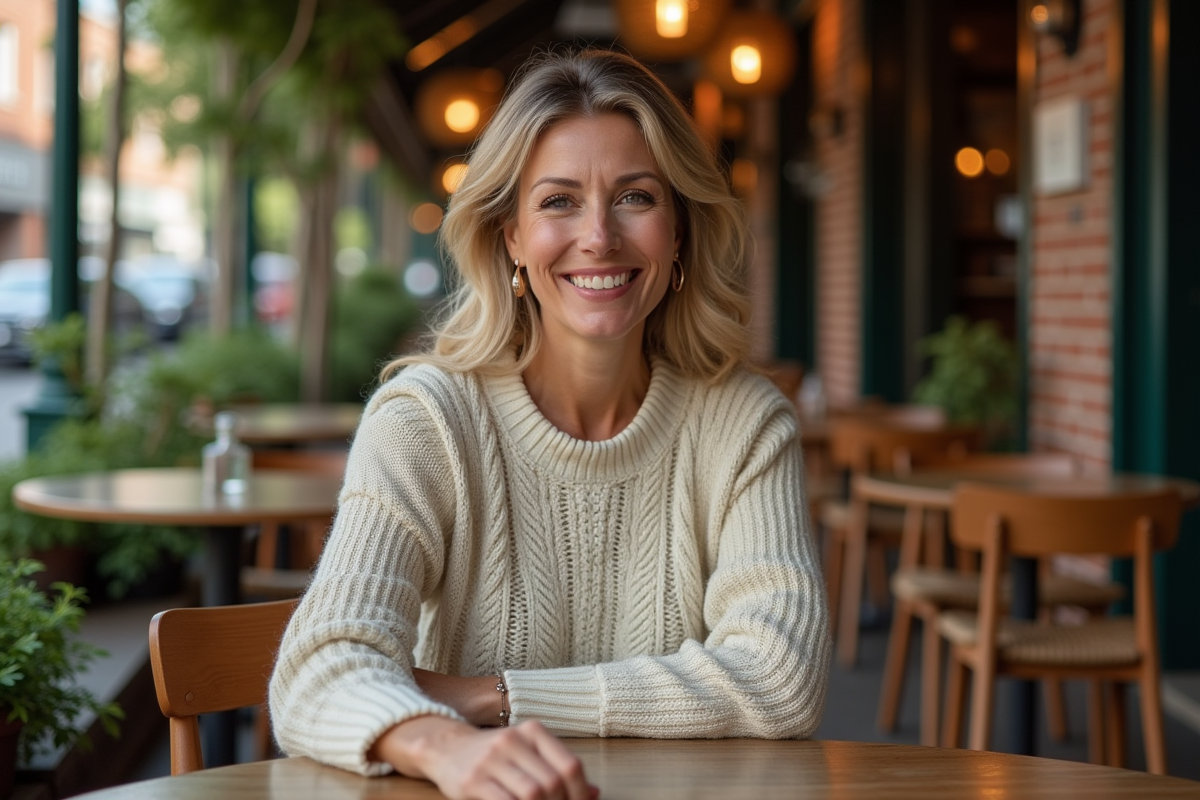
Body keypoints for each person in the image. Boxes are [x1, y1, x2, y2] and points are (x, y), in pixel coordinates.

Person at [269, 48, 830, 800]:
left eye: (635, 197)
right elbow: (319, 668)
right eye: (559, 201)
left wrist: (495, 697)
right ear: (509, 236)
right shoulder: (427, 422)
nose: (598, 237)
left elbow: (782, 675)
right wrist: (444, 747)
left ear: (680, 230)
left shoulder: (744, 425)